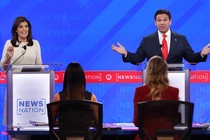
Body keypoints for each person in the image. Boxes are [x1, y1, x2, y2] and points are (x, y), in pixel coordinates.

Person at [112, 9, 210, 65]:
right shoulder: (147, 40)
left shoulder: (181, 39)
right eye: (159, 20)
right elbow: (138, 59)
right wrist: (125, 53)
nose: (162, 23)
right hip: (154, 82)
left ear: (170, 21)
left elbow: (190, 57)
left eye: (165, 20)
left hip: (176, 80)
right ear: (155, 22)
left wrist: (201, 53)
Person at [1, 16, 42, 140]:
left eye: (26, 26)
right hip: (16, 88)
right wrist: (8, 57)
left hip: (32, 89)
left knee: (29, 123)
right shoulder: (10, 44)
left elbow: (39, 65)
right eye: (21, 27)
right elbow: (3, 67)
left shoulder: (35, 44)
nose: (24, 29)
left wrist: (46, 75)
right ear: (16, 30)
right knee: (15, 126)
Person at [133, 56, 179, 140]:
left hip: (146, 138)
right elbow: (175, 120)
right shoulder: (174, 91)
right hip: (168, 138)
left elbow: (136, 122)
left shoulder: (140, 91)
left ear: (148, 72)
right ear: (165, 72)